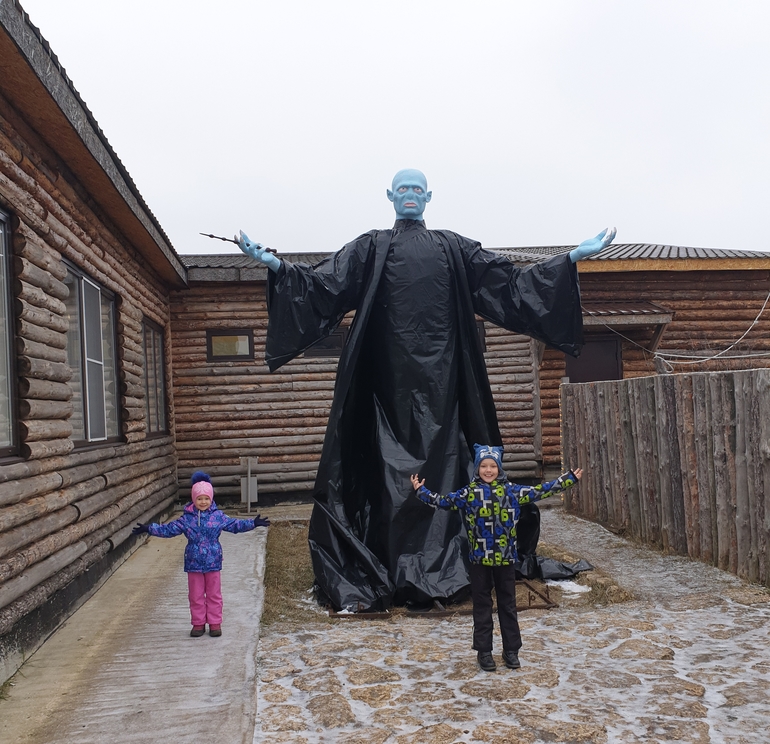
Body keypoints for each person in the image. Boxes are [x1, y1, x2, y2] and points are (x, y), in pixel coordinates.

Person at [238, 168, 613, 612]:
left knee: (450, 458)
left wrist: (569, 259)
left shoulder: (453, 248)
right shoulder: (371, 247)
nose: (410, 195)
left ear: (429, 196)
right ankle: (386, 554)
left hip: (446, 387)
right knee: (382, 465)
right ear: (390, 195)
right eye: (403, 189)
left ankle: (456, 552)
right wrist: (276, 266)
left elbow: (510, 285)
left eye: (417, 189)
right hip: (384, 389)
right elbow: (323, 286)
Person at [411, 444, 582, 671]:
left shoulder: (512, 492)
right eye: (484, 466)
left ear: (499, 468)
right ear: (477, 468)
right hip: (479, 561)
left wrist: (568, 479)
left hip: (505, 560)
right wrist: (421, 491)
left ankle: (511, 650)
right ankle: (484, 651)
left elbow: (541, 490)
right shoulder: (469, 493)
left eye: (493, 466)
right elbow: (443, 501)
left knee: (508, 605)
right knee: (482, 606)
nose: (488, 470)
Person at [132, 471, 271, 637]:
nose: (203, 502)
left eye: (206, 498)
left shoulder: (218, 516)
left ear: (211, 499)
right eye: (199, 498)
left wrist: (253, 523)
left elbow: (235, 525)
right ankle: (198, 624)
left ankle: (215, 623)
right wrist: (150, 528)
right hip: (193, 563)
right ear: (193, 499)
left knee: (214, 595)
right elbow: (169, 529)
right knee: (195, 595)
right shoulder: (187, 519)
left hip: (213, 561)